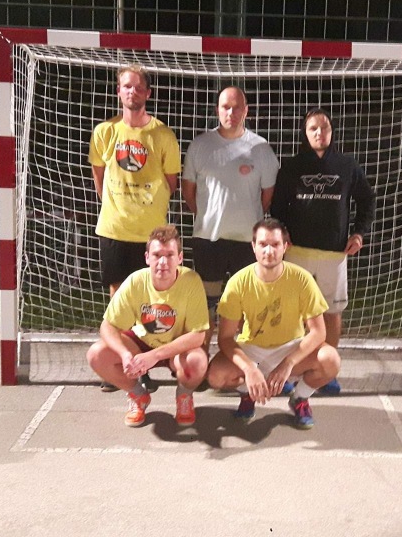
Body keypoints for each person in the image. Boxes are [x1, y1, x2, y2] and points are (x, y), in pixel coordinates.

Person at [269, 107, 376, 396]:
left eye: (324, 127)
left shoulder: (346, 165)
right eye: (313, 128)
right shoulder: (292, 166)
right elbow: (277, 207)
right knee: (292, 314)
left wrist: (358, 233)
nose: (319, 133)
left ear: (332, 131)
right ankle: (290, 370)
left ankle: (327, 371)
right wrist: (283, 232)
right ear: (304, 133)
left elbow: (367, 200)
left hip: (333, 254)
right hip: (298, 252)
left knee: (331, 312)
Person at [90, 64, 181, 392]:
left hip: (151, 235)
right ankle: (120, 366)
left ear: (148, 93)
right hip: (114, 230)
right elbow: (99, 175)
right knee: (118, 303)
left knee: (150, 303)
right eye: (126, 86)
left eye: (138, 87)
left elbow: (172, 183)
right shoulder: (105, 131)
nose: (132, 92)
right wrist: (118, 206)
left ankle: (149, 363)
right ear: (119, 92)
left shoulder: (163, 135)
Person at [205, 218, 341, 430]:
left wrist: (288, 363)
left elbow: (318, 332)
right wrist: (249, 369)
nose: (269, 251)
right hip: (252, 348)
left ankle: (300, 398)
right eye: (263, 244)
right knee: (215, 376)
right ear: (253, 246)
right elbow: (225, 338)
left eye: (275, 244)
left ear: (285, 247)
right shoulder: (238, 282)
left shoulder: (302, 279)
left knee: (330, 360)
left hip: (290, 347)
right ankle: (248, 394)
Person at [181, 86, 280, 352]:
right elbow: (188, 191)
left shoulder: (261, 148)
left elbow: (267, 196)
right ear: (217, 110)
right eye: (226, 107)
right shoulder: (201, 145)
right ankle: (200, 361)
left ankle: (242, 364)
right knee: (206, 309)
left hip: (247, 243)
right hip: (208, 240)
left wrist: (244, 217)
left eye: (237, 107)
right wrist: (208, 215)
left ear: (246, 111)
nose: (231, 112)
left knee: (245, 309)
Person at [86, 225, 210, 427]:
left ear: (180, 258)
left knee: (197, 361)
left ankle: (184, 396)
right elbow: (107, 326)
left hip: (176, 346)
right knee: (96, 355)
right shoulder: (135, 281)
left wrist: (155, 355)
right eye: (157, 255)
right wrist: (125, 355)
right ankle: (138, 395)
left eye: (169, 255)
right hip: (142, 342)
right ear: (147, 258)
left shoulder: (191, 281)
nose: (163, 262)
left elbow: (198, 336)